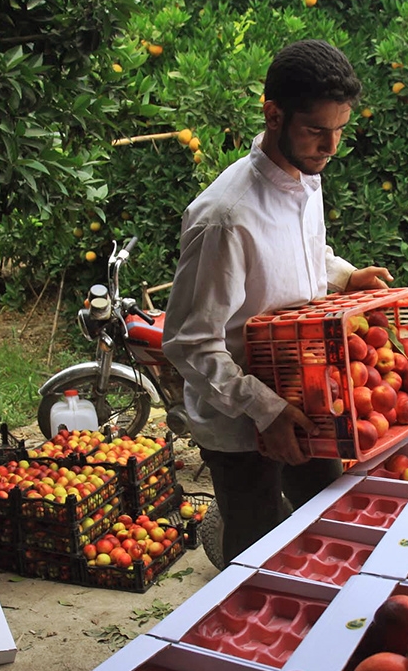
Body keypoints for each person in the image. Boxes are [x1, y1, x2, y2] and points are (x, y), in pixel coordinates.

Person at [162, 39, 392, 567]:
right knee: (258, 552)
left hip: (305, 392)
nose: (330, 146)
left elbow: (309, 254)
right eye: (316, 130)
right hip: (242, 420)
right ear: (273, 113)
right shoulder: (225, 218)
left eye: (339, 130)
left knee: (330, 521)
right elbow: (189, 342)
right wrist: (265, 412)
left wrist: (346, 275)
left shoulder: (305, 178)